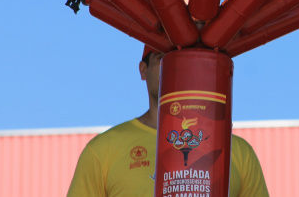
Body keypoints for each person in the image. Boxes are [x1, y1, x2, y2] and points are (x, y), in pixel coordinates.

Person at [68, 46, 269, 197]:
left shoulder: (239, 152)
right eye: (163, 57)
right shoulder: (104, 149)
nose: (176, 66)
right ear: (143, 70)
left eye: (183, 58)